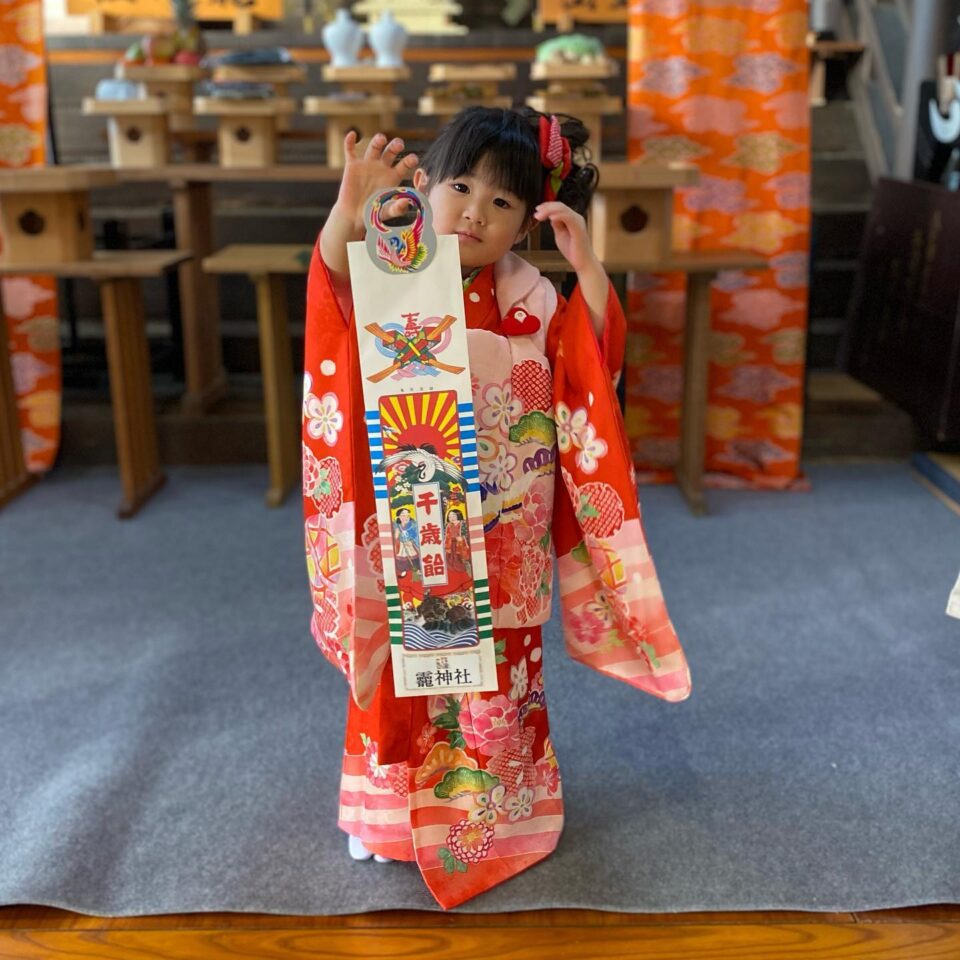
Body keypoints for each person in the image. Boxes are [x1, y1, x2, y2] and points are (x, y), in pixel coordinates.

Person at [301, 106, 692, 909]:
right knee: (401, 671)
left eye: (504, 202)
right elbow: (334, 304)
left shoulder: (535, 298)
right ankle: (382, 821)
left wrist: (589, 275)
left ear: (526, 223)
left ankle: (495, 819)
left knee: (496, 675)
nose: (476, 211)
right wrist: (347, 213)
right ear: (422, 186)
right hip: (411, 515)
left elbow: (586, 371)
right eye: (459, 185)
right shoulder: (392, 271)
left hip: (500, 524)